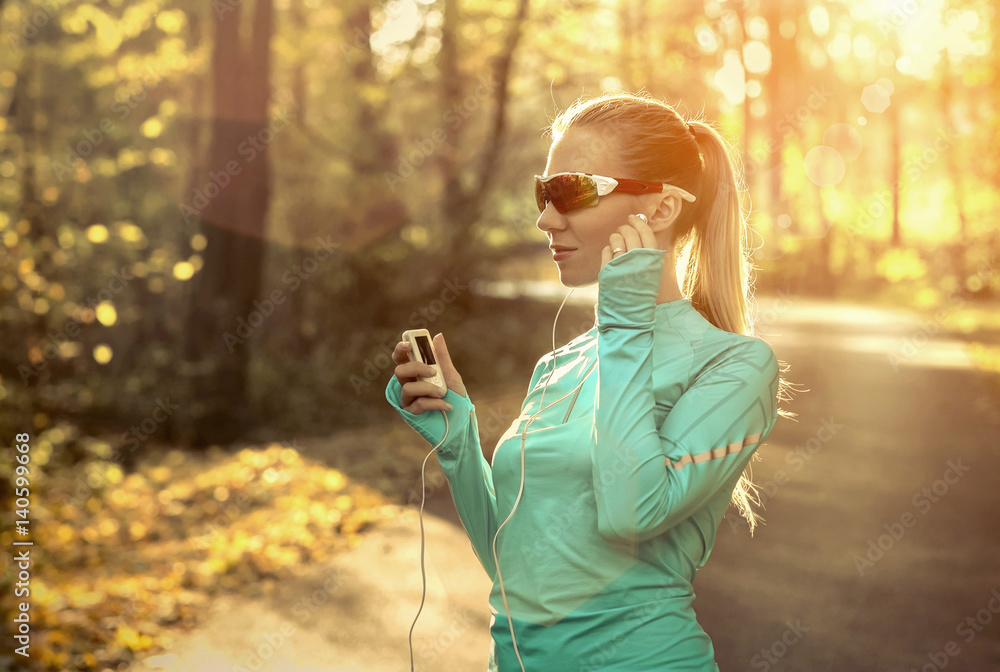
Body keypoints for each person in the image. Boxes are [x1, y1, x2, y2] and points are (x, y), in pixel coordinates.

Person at [385, 91, 794, 671]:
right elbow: (518, 568)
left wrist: (626, 324)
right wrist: (457, 440)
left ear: (659, 210)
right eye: (542, 193)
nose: (545, 217)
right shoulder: (558, 366)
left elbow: (631, 512)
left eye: (571, 190)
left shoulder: (735, 366)